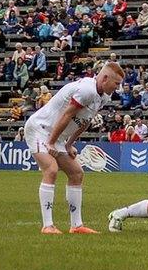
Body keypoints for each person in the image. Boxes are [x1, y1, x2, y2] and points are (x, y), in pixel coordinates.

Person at [24, 62, 122, 234]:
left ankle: (76, 226)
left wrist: (69, 144)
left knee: (76, 173)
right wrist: (51, 142)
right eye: (116, 83)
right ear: (105, 78)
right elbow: (67, 114)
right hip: (40, 129)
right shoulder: (87, 90)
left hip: (58, 135)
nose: (118, 88)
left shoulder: (103, 97)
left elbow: (84, 121)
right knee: (51, 169)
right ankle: (47, 226)